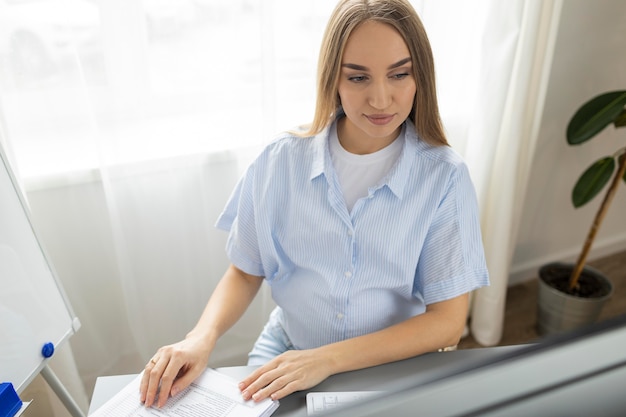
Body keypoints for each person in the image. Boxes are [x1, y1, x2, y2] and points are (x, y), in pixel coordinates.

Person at [140, 0, 489, 408]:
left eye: (399, 74)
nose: (381, 99)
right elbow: (245, 270)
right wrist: (200, 337)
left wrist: (325, 361)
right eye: (358, 77)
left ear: (420, 76)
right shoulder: (279, 161)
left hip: (391, 365)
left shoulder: (445, 178)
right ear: (333, 81)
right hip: (288, 351)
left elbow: (446, 325)